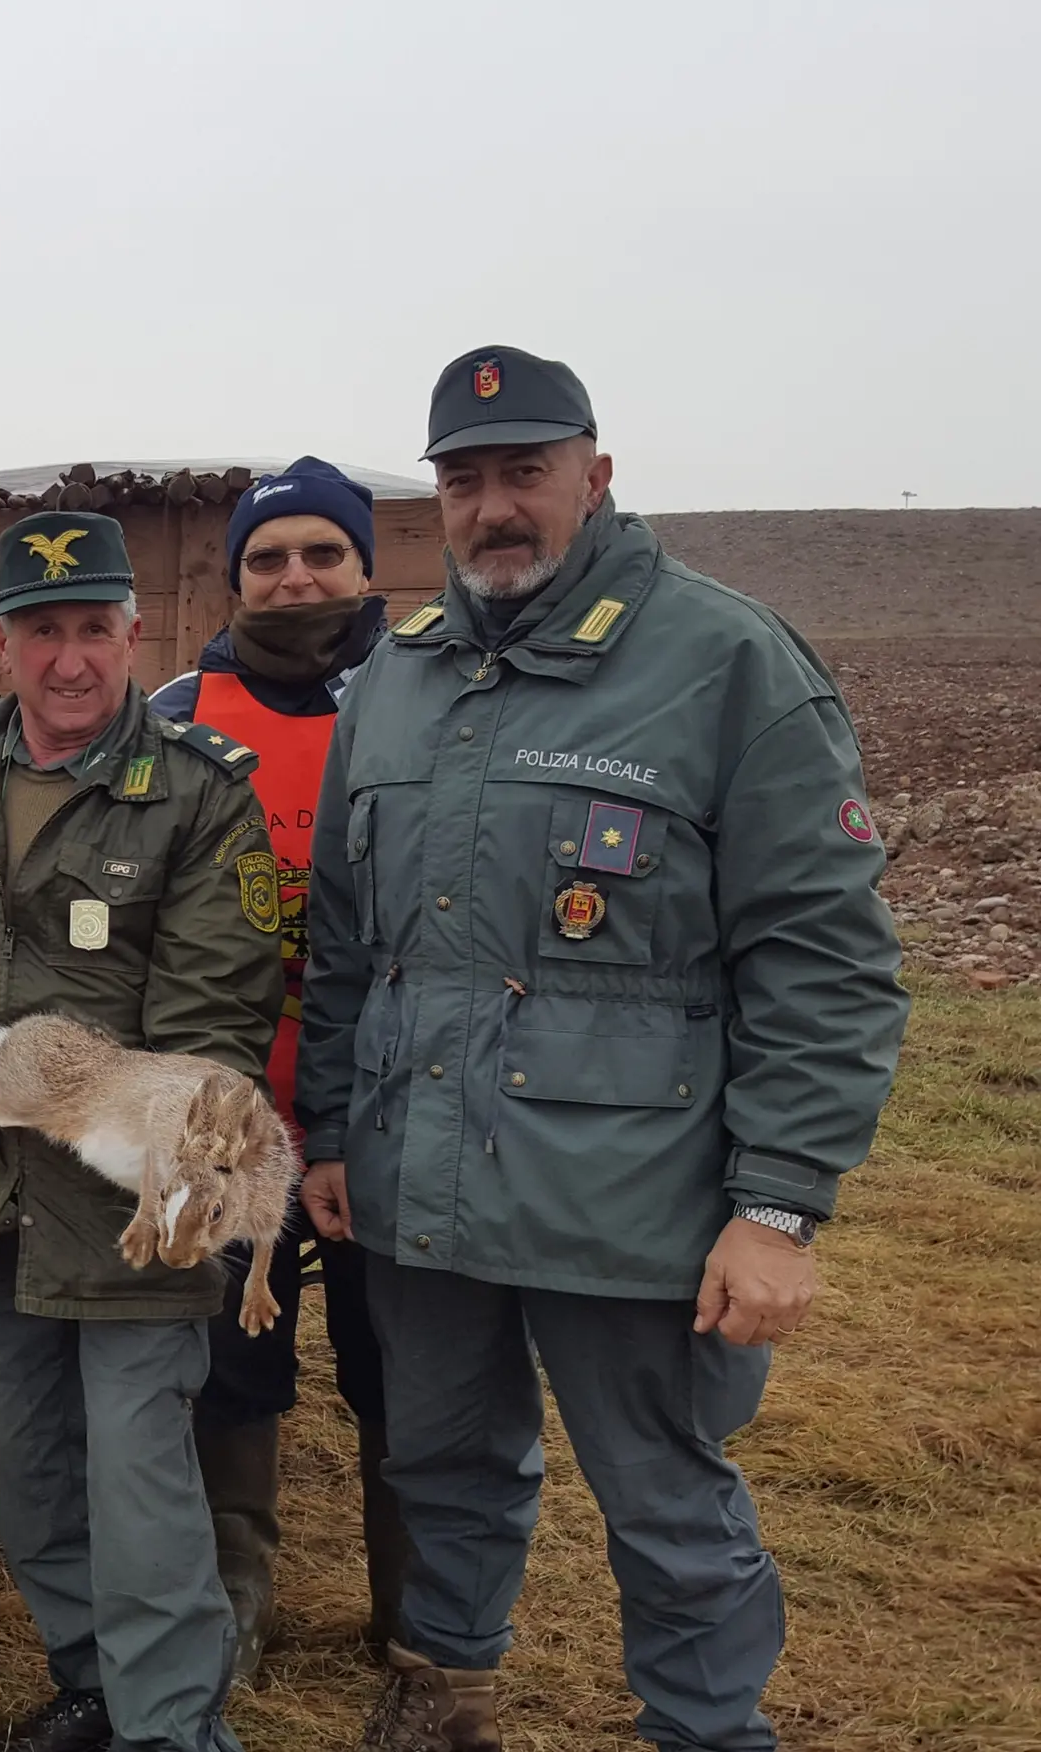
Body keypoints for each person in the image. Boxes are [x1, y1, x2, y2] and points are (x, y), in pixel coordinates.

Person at [298, 348, 911, 1752]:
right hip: (419, 1174)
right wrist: (331, 1130)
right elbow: (346, 942)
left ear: (598, 473)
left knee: (662, 1491)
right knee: (443, 1456)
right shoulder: (397, 678)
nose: (496, 508)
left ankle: (704, 1728)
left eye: (528, 473)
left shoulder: (725, 661)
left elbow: (824, 958)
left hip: (634, 1197)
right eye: (466, 480)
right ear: (434, 500)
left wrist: (777, 1208)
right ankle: (446, 1687)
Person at [0, 509, 284, 1752]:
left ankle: (171, 1731)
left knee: (140, 1490)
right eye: (43, 632)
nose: (70, 661)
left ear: (134, 634)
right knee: (24, 1473)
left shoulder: (197, 797)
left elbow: (208, 1042)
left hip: (130, 1214)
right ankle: (97, 1684)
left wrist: (24, 1078)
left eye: (94, 628)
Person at [147, 457, 406, 1681]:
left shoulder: (425, 702)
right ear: (233, 574)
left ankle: (416, 1618)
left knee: (402, 1367)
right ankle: (236, 1591)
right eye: (267, 557)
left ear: (367, 568)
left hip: (392, 1110)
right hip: (226, 1115)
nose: (294, 576)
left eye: (321, 552)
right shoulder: (175, 713)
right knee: (227, 1365)